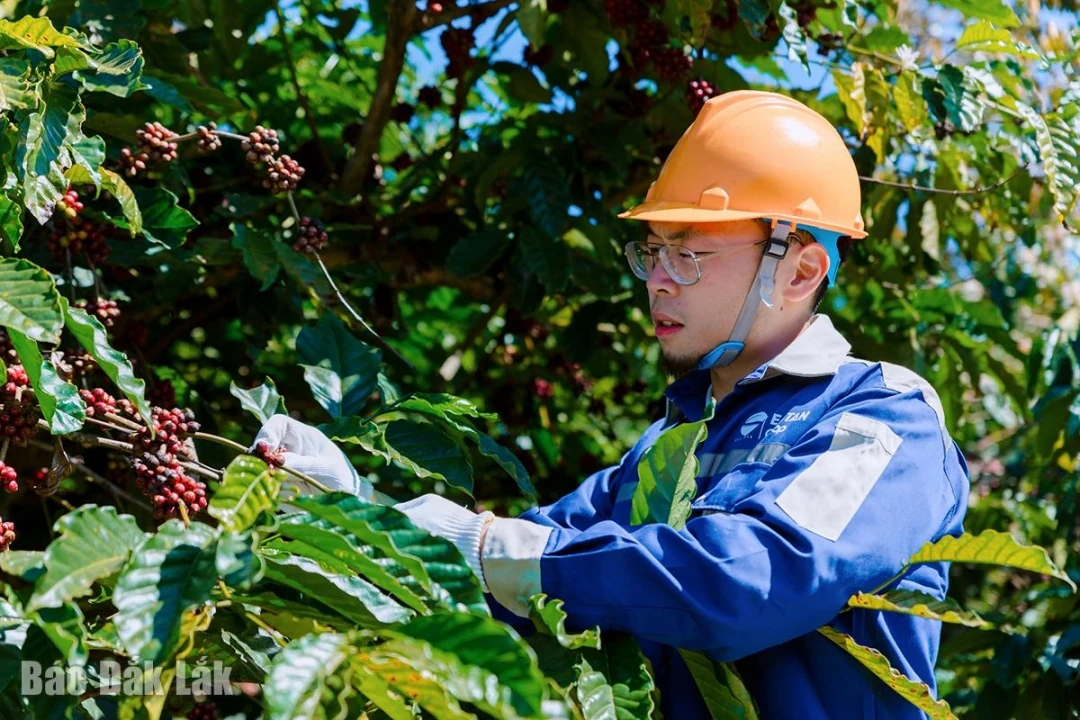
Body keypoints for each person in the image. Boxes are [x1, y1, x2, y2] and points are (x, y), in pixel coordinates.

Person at [255, 90, 970, 719]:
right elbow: (517, 572)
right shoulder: (671, 443)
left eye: (688, 254)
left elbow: (743, 578)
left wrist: (478, 546)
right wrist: (356, 512)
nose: (657, 281)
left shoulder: (883, 420)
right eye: (652, 251)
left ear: (801, 269)